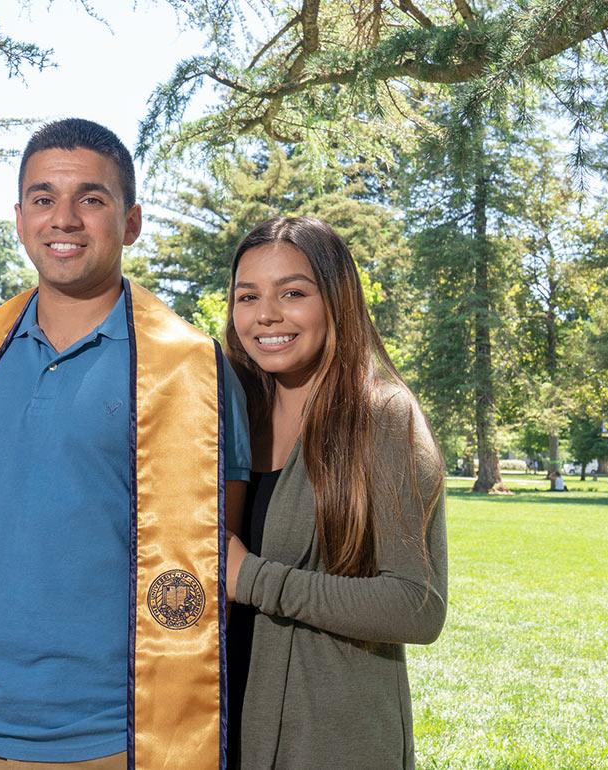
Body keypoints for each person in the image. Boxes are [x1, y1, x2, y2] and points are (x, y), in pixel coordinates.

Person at [0, 118, 251, 770]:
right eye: (43, 198)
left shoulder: (193, 371)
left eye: (90, 199)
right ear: (18, 217)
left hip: (124, 739)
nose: (63, 218)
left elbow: (212, 571)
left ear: (131, 222)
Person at [222, 216, 447, 770]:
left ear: (337, 301)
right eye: (247, 297)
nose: (266, 315)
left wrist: (249, 578)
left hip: (332, 739)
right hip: (228, 723)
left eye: (293, 293)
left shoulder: (383, 416)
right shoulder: (232, 412)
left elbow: (417, 607)